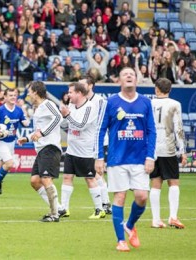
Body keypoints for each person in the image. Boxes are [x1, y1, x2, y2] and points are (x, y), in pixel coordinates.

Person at [95, 67, 156, 252]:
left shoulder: (145, 102)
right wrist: (99, 157)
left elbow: (152, 131)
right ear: (119, 81)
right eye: (125, 74)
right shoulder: (111, 102)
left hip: (140, 158)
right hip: (117, 158)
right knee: (120, 197)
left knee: (142, 197)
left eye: (132, 74)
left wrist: (150, 156)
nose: (129, 76)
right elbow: (101, 130)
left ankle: (129, 225)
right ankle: (121, 240)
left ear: (136, 80)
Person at [58, 81, 105, 219]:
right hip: (72, 149)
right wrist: (64, 116)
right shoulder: (71, 105)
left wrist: (67, 116)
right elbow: (65, 124)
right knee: (67, 177)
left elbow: (81, 125)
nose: (68, 95)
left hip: (85, 150)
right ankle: (64, 208)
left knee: (90, 178)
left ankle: (99, 209)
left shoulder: (90, 107)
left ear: (79, 93)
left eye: (71, 92)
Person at [17, 81, 62, 222]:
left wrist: (42, 133)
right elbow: (38, 131)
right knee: (35, 181)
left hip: (50, 147)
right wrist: (27, 138)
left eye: (29, 91)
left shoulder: (48, 104)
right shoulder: (38, 108)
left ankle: (54, 214)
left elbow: (58, 117)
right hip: (41, 149)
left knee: (45, 179)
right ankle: (58, 208)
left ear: (36, 91)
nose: (28, 94)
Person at [150, 78, 187, 229]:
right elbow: (179, 129)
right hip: (168, 148)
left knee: (155, 183)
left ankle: (156, 219)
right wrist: (183, 151)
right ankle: (173, 217)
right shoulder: (175, 104)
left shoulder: (149, 103)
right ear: (170, 90)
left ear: (156, 89)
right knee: (173, 182)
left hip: (152, 150)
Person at [0, 88, 29, 198]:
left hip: (11, 142)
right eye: (10, 95)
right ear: (5, 97)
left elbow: (24, 122)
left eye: (15, 95)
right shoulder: (0, 110)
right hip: (0, 141)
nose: (13, 97)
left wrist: (27, 119)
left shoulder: (19, 110)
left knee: (2, 166)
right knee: (9, 164)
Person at [79, 76, 112, 215]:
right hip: (87, 142)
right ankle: (106, 203)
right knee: (96, 174)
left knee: (97, 173)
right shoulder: (81, 101)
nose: (79, 87)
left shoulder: (100, 101)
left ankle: (105, 204)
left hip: (99, 141)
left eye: (82, 85)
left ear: (90, 85)